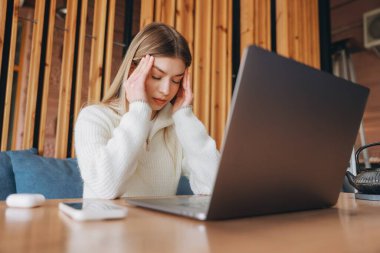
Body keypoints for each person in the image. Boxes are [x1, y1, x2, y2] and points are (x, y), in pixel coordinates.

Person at [74, 22, 220, 199]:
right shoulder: (93, 117)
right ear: (133, 71)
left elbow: (214, 186)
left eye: (176, 80)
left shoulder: (177, 128)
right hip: (106, 226)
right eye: (157, 76)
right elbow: (105, 189)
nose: (166, 90)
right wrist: (138, 112)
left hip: (160, 227)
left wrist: (185, 117)